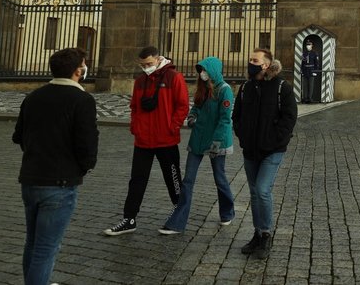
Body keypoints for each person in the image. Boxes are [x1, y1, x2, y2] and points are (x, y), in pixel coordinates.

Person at [13, 47, 97, 285]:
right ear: (78, 71)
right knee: (46, 248)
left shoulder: (33, 96)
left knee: (33, 243)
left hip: (30, 179)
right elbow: (87, 144)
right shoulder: (82, 99)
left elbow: (18, 136)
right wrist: (83, 167)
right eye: (84, 64)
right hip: (60, 183)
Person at [104, 46, 189, 236]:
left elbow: (182, 106)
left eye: (149, 64)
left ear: (158, 59)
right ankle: (129, 218)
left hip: (165, 139)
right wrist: (135, 127)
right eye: (142, 65)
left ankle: (179, 215)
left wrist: (172, 126)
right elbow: (134, 107)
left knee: (173, 178)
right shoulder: (140, 81)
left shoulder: (174, 77)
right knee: (137, 180)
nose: (146, 67)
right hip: (143, 140)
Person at [159, 56, 235, 234]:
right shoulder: (203, 89)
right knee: (188, 180)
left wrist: (217, 142)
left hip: (217, 141)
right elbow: (196, 108)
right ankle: (177, 222)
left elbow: (225, 120)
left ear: (213, 71)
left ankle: (227, 212)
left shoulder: (225, 90)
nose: (202, 73)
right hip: (199, 138)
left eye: (205, 70)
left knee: (220, 178)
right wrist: (192, 117)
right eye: (200, 70)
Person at [234, 48, 298, 259]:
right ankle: (257, 233)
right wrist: (243, 135)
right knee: (253, 192)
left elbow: (289, 118)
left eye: (255, 60)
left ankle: (266, 235)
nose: (250, 63)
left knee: (262, 190)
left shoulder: (282, 87)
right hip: (250, 149)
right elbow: (237, 116)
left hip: (272, 150)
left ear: (266, 65)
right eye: (250, 59)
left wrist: (275, 139)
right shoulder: (245, 87)